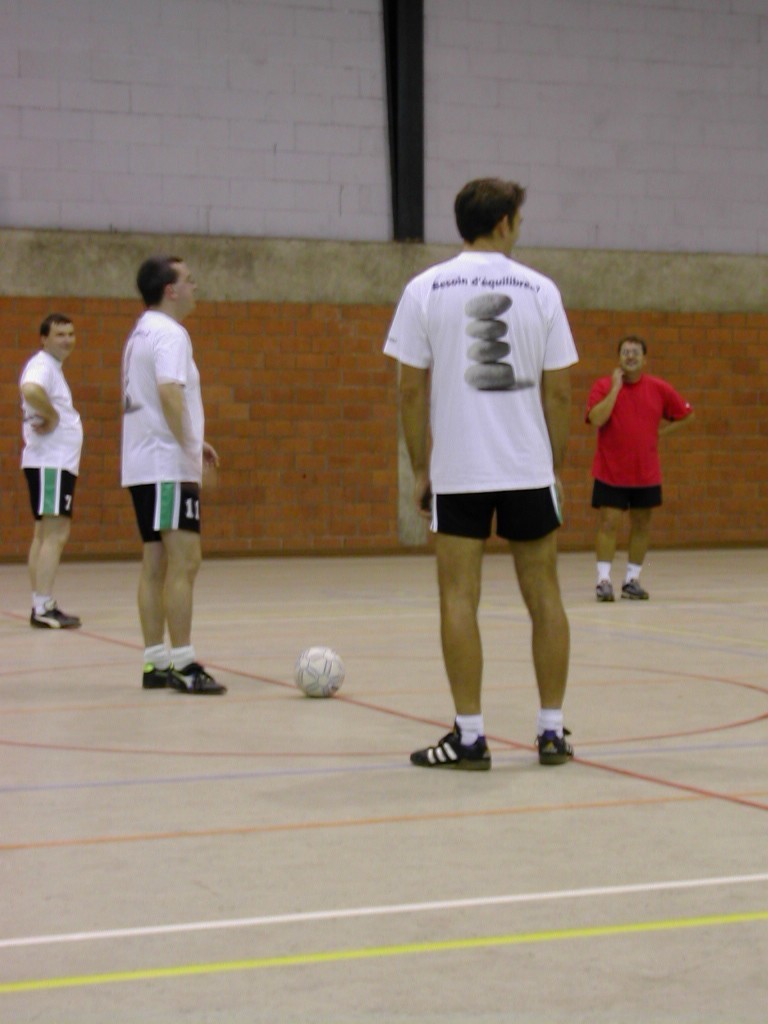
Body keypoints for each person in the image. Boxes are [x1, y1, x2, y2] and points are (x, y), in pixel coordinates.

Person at [383, 177, 578, 770]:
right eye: (518, 218)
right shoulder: (541, 290)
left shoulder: (424, 288)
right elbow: (560, 393)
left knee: (458, 599)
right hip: (526, 468)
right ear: (502, 223)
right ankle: (551, 732)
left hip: (459, 470)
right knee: (544, 595)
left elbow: (409, 390)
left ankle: (469, 738)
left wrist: (421, 467)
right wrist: (552, 466)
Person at [121, 256, 226, 695]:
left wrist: (193, 440)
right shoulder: (170, 333)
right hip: (166, 465)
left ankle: (155, 662)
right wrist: (188, 448)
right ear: (170, 289)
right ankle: (183, 664)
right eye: (189, 280)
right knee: (185, 560)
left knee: (156, 562)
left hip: (143, 463)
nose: (195, 287)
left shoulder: (141, 332)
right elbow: (168, 392)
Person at [586, 335, 694, 602]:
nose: (630, 356)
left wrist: (661, 434)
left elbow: (686, 415)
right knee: (608, 523)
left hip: (645, 473)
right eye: (625, 352)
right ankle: (603, 580)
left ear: (645, 359)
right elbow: (596, 418)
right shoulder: (603, 386)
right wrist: (615, 389)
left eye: (635, 352)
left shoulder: (659, 388)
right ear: (619, 358)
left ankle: (632, 580)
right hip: (611, 472)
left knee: (642, 525)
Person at [20, 313, 83, 629]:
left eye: (70, 334)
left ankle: (40, 601)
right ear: (44, 338)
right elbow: (30, 389)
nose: (67, 340)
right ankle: (43, 607)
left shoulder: (52, 368)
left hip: (51, 464)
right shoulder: (42, 365)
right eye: (60, 334)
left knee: (44, 534)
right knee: (55, 534)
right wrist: (54, 416)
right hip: (51, 463)